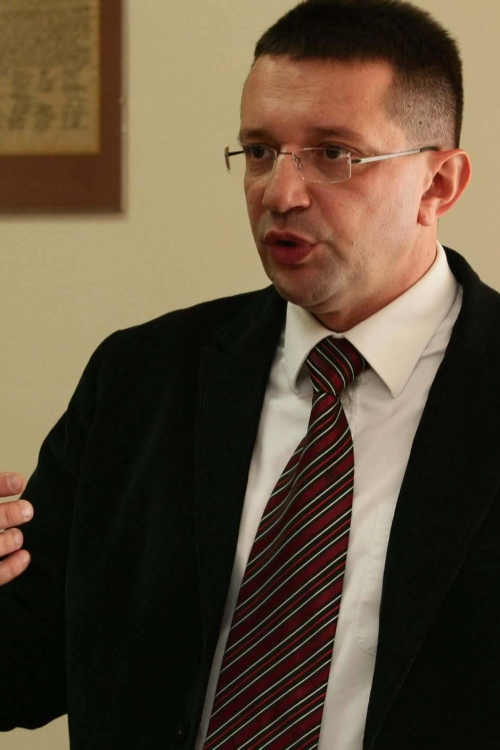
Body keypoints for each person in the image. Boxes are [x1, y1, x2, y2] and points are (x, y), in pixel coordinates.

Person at [0, 0, 498, 748]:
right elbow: (25, 663)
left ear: (439, 184)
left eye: (334, 154)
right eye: (261, 151)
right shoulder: (140, 379)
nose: (280, 193)